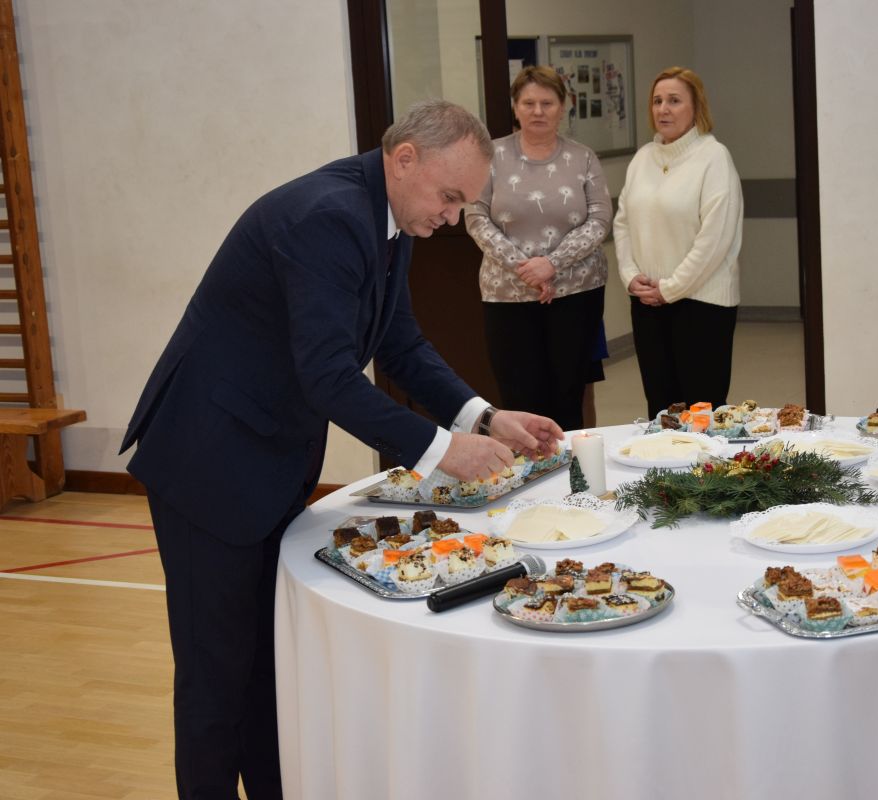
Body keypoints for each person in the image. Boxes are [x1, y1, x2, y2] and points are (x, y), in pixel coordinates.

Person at [118, 100, 562, 799]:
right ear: (405, 158)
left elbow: (400, 343)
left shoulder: (390, 215)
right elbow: (326, 376)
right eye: (450, 197)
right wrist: (443, 450)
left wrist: (484, 417)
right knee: (216, 681)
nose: (452, 218)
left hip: (265, 460)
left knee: (265, 669)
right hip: (210, 464)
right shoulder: (326, 216)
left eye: (463, 203)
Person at [465, 65, 611, 432]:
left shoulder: (583, 158)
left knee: (568, 396)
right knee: (519, 398)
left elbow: (599, 219)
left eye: (547, 103)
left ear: (563, 106)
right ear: (515, 107)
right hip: (507, 296)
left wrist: (552, 264)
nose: (538, 111)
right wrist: (524, 268)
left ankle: (569, 467)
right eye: (528, 103)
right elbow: (475, 216)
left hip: (576, 294)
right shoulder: (490, 156)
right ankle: (528, 468)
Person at [613, 66, 744, 419]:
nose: (663, 109)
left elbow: (714, 240)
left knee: (701, 413)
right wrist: (630, 276)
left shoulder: (714, 157)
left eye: (674, 100)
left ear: (696, 107)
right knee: (661, 411)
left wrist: (670, 288)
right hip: (648, 303)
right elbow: (623, 223)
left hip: (702, 306)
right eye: (657, 101)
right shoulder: (643, 158)